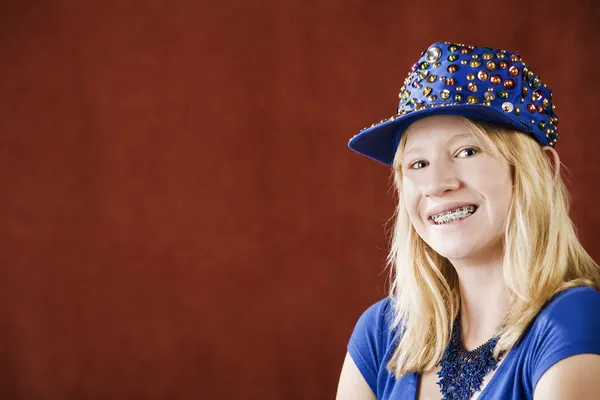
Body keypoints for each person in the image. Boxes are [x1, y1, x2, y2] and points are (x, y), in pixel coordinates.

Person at [335, 42, 600, 400]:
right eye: (418, 164)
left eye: (467, 151)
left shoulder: (572, 320)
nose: (437, 184)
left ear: (542, 170)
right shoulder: (381, 333)